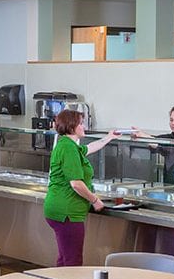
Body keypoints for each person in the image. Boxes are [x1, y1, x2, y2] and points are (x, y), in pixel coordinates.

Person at [43, 109, 120, 267]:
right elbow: (76, 184)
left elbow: (90, 148)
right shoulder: (69, 148)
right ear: (72, 126)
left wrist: (109, 137)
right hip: (67, 212)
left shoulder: (69, 145)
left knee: (64, 258)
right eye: (81, 123)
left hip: (60, 210)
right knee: (73, 261)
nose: (84, 126)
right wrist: (94, 200)